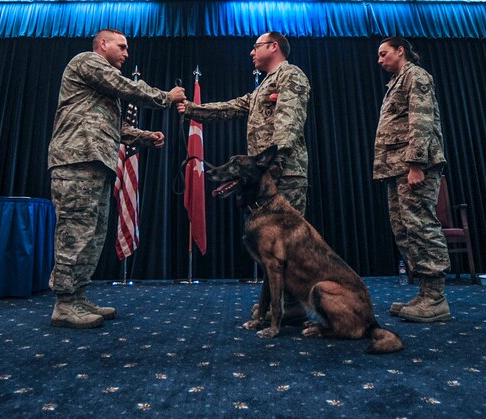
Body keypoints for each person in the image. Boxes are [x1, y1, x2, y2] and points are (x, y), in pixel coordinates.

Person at [48, 29, 186, 329]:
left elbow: (111, 127)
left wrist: (145, 137)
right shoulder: (87, 61)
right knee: (74, 233)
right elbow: (127, 87)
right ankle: (64, 303)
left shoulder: (98, 87)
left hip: (96, 164)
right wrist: (166, 97)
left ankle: (79, 296)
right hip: (76, 162)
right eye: (121, 47)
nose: (126, 54)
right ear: (103, 44)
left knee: (93, 235)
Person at [177, 31, 310, 324]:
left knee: (287, 243)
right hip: (267, 176)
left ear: (274, 47)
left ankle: (291, 304)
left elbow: (289, 122)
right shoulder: (264, 86)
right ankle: (285, 304)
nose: (251, 52)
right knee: (272, 245)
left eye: (256, 46)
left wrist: (276, 163)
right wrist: (193, 110)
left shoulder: (291, 76)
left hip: (283, 173)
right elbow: (232, 106)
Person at [374, 37, 452, 323]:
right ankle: (424, 292)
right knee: (404, 229)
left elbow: (422, 120)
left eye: (384, 54)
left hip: (413, 167)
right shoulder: (396, 82)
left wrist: (416, 164)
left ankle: (436, 298)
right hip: (396, 169)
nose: (380, 60)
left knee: (421, 225)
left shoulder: (416, 76)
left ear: (400, 51)